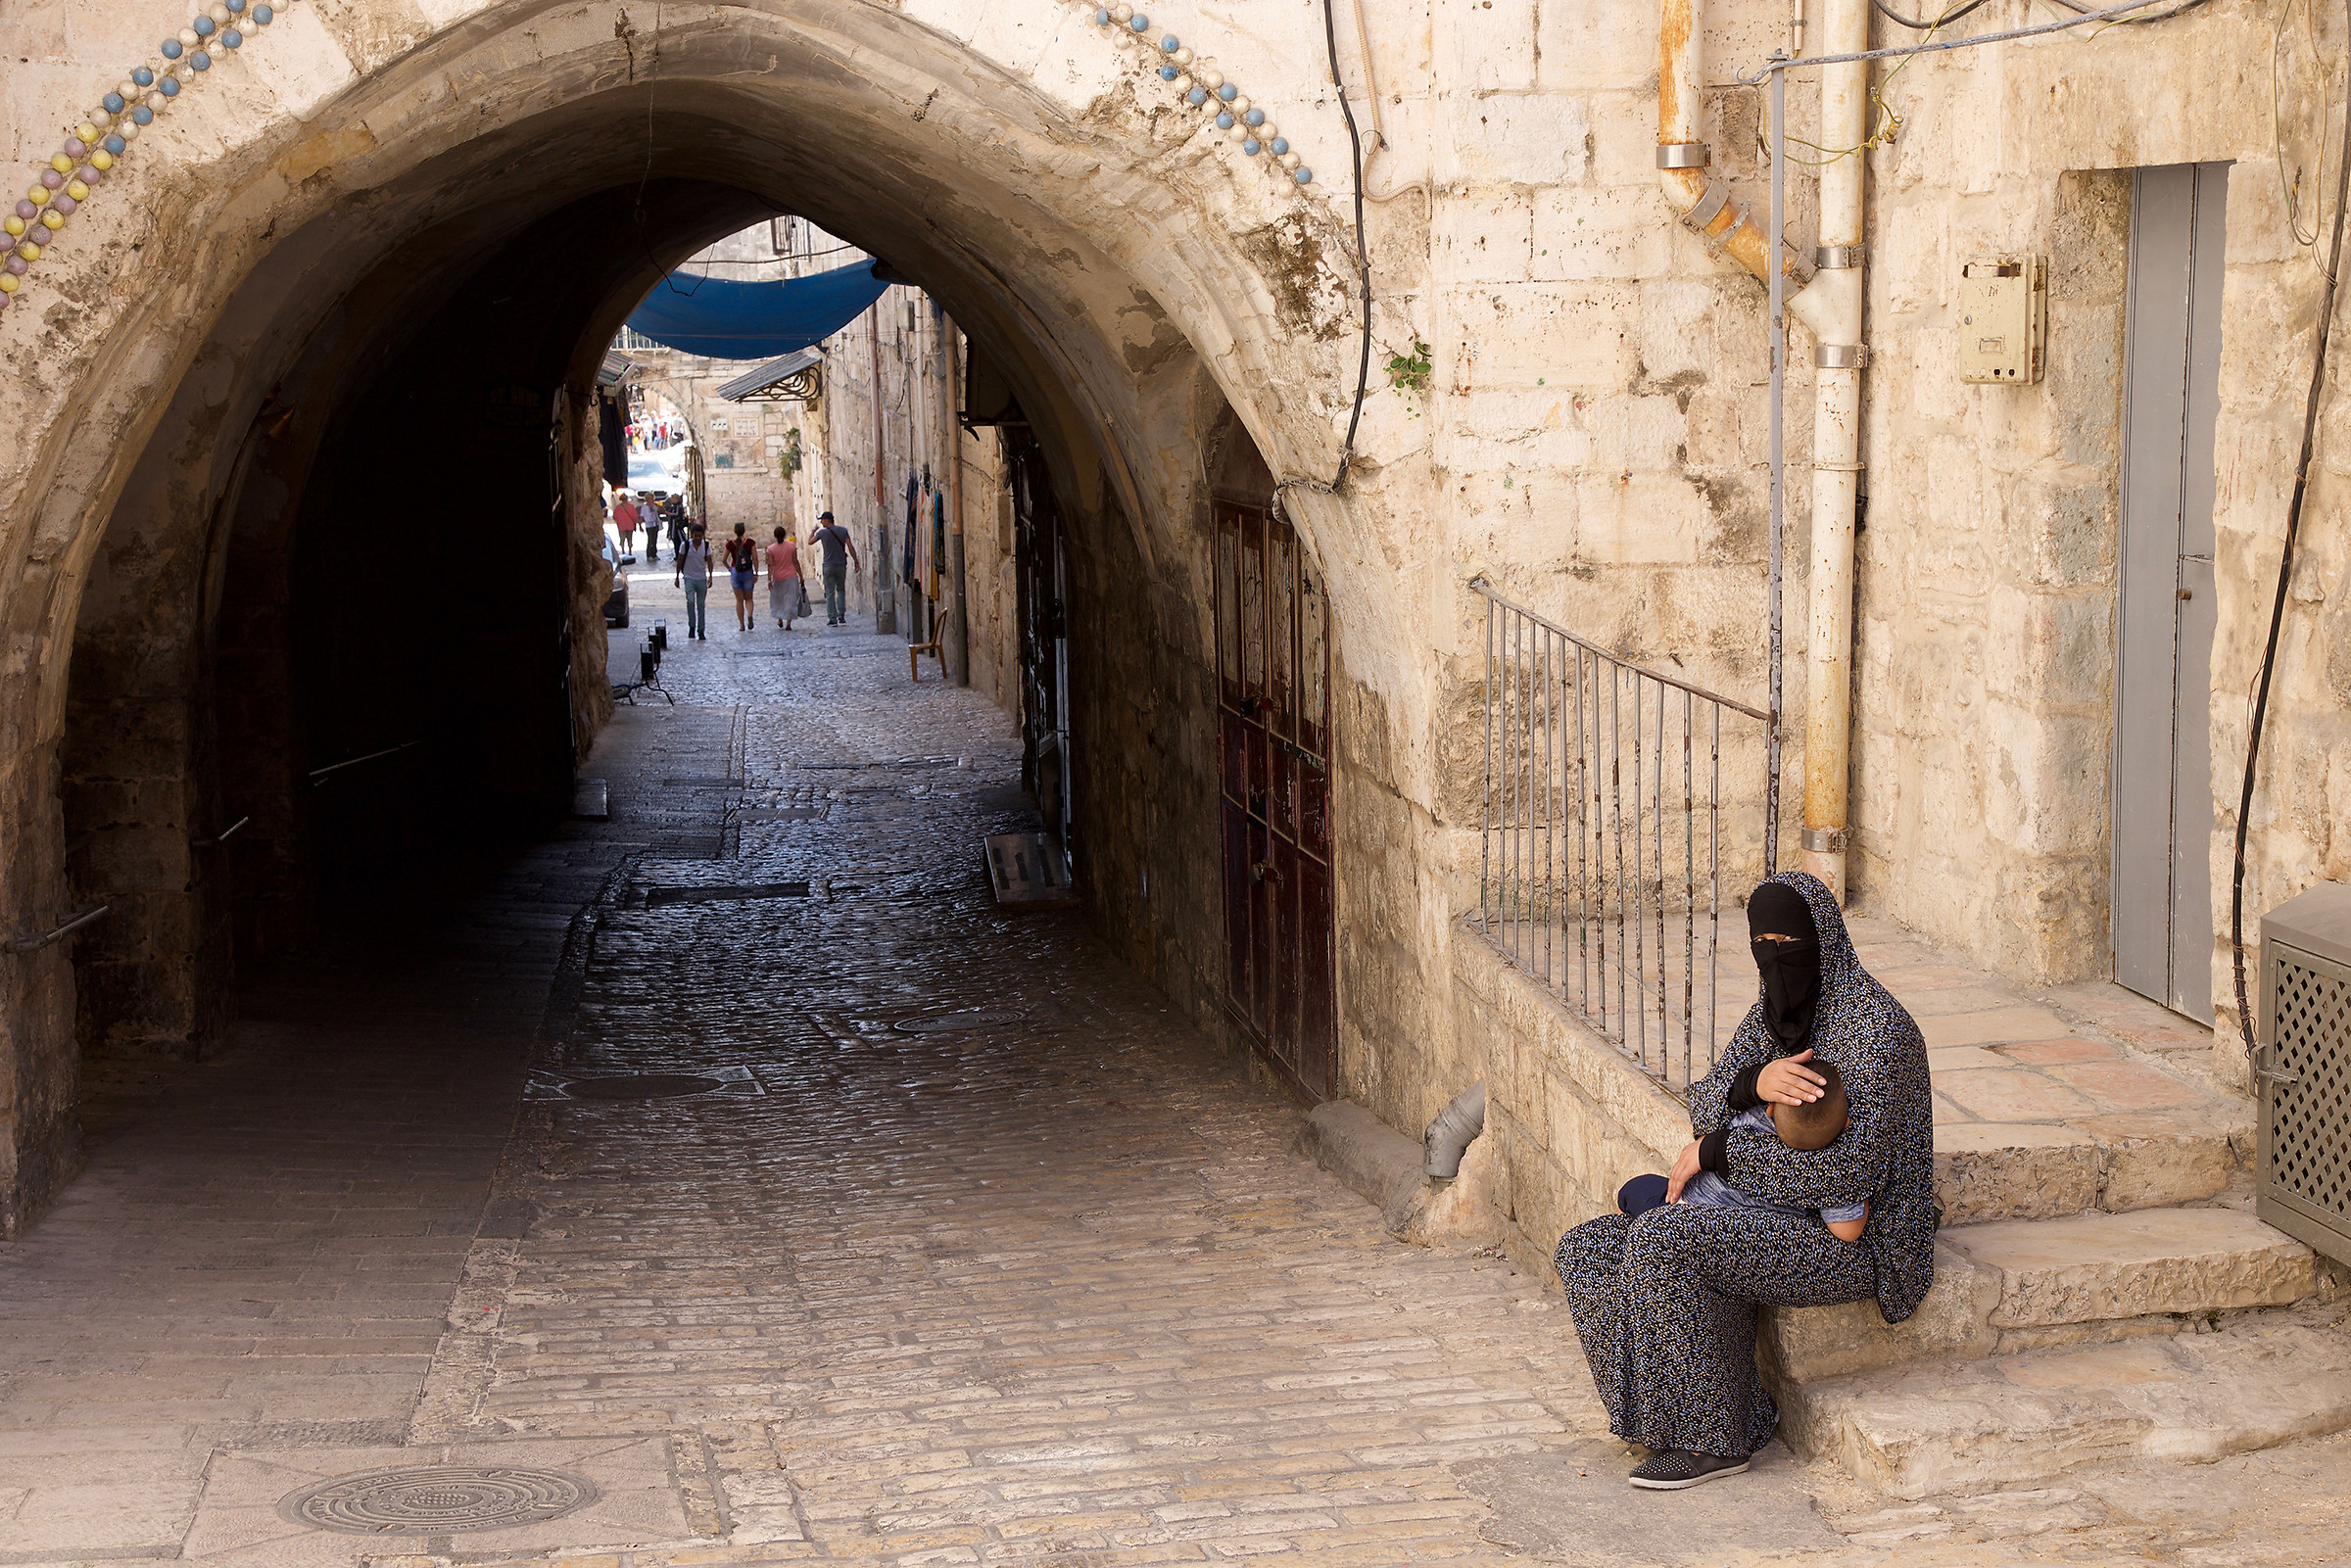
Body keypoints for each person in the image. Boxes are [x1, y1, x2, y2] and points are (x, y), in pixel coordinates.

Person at [1554, 873, 1933, 1492]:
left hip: (1855, 1243)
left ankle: (1718, 1437)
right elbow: (1706, 1102)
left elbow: (1838, 1174)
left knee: (1670, 1240)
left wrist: (1723, 1150)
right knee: (1588, 1249)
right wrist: (1750, 1086)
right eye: (1762, 941)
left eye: (1790, 939)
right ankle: (1656, 1420)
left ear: (1824, 938)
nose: (1775, 956)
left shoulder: (1878, 1034)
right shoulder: (1770, 1019)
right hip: (1769, 1212)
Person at [1611, 1059, 1869, 1245]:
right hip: (1740, 1239)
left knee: (1633, 1191)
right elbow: (1848, 1231)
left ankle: (1629, 1242)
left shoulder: (1753, 1119)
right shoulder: (1834, 1170)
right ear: (1846, 1123)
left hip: (1687, 1209)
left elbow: (1707, 1124)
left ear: (1770, 1109)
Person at [810, 510, 861, 627]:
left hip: (828, 565)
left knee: (829, 592)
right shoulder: (843, 531)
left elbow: (810, 542)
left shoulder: (822, 533)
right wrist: (856, 561)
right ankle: (841, 614)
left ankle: (832, 617)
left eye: (822, 520)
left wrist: (813, 531)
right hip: (841, 565)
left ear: (827, 520)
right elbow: (850, 546)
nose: (821, 522)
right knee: (841, 589)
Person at [675, 521, 713, 641]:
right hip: (689, 578)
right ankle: (692, 627)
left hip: (701, 578)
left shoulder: (706, 546)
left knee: (701, 605)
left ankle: (701, 630)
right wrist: (677, 576)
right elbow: (680, 561)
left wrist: (711, 576)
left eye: (700, 536)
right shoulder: (685, 545)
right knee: (690, 602)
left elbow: (710, 561)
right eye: (695, 536)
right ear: (691, 535)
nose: (697, 538)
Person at [767, 527, 810, 631]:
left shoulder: (771, 549)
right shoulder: (791, 546)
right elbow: (795, 561)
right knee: (790, 599)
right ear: (785, 535)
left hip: (778, 577)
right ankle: (788, 623)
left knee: (778, 599)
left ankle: (780, 619)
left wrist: (769, 579)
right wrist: (801, 575)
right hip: (791, 576)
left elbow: (770, 565)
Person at [723, 521, 760, 633]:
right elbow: (755, 559)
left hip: (736, 573)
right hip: (748, 573)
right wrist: (756, 573)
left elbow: (723, 560)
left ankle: (741, 625)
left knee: (739, 600)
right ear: (744, 531)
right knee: (749, 598)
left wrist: (730, 569)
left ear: (735, 531)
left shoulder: (730, 544)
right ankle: (750, 615)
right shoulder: (750, 543)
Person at [612, 491, 639, 561]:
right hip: (630, 525)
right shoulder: (631, 507)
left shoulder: (618, 508)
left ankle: (623, 550)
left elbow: (614, 517)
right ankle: (630, 550)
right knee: (629, 538)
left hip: (621, 526)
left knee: (622, 539)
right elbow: (635, 516)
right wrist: (637, 524)